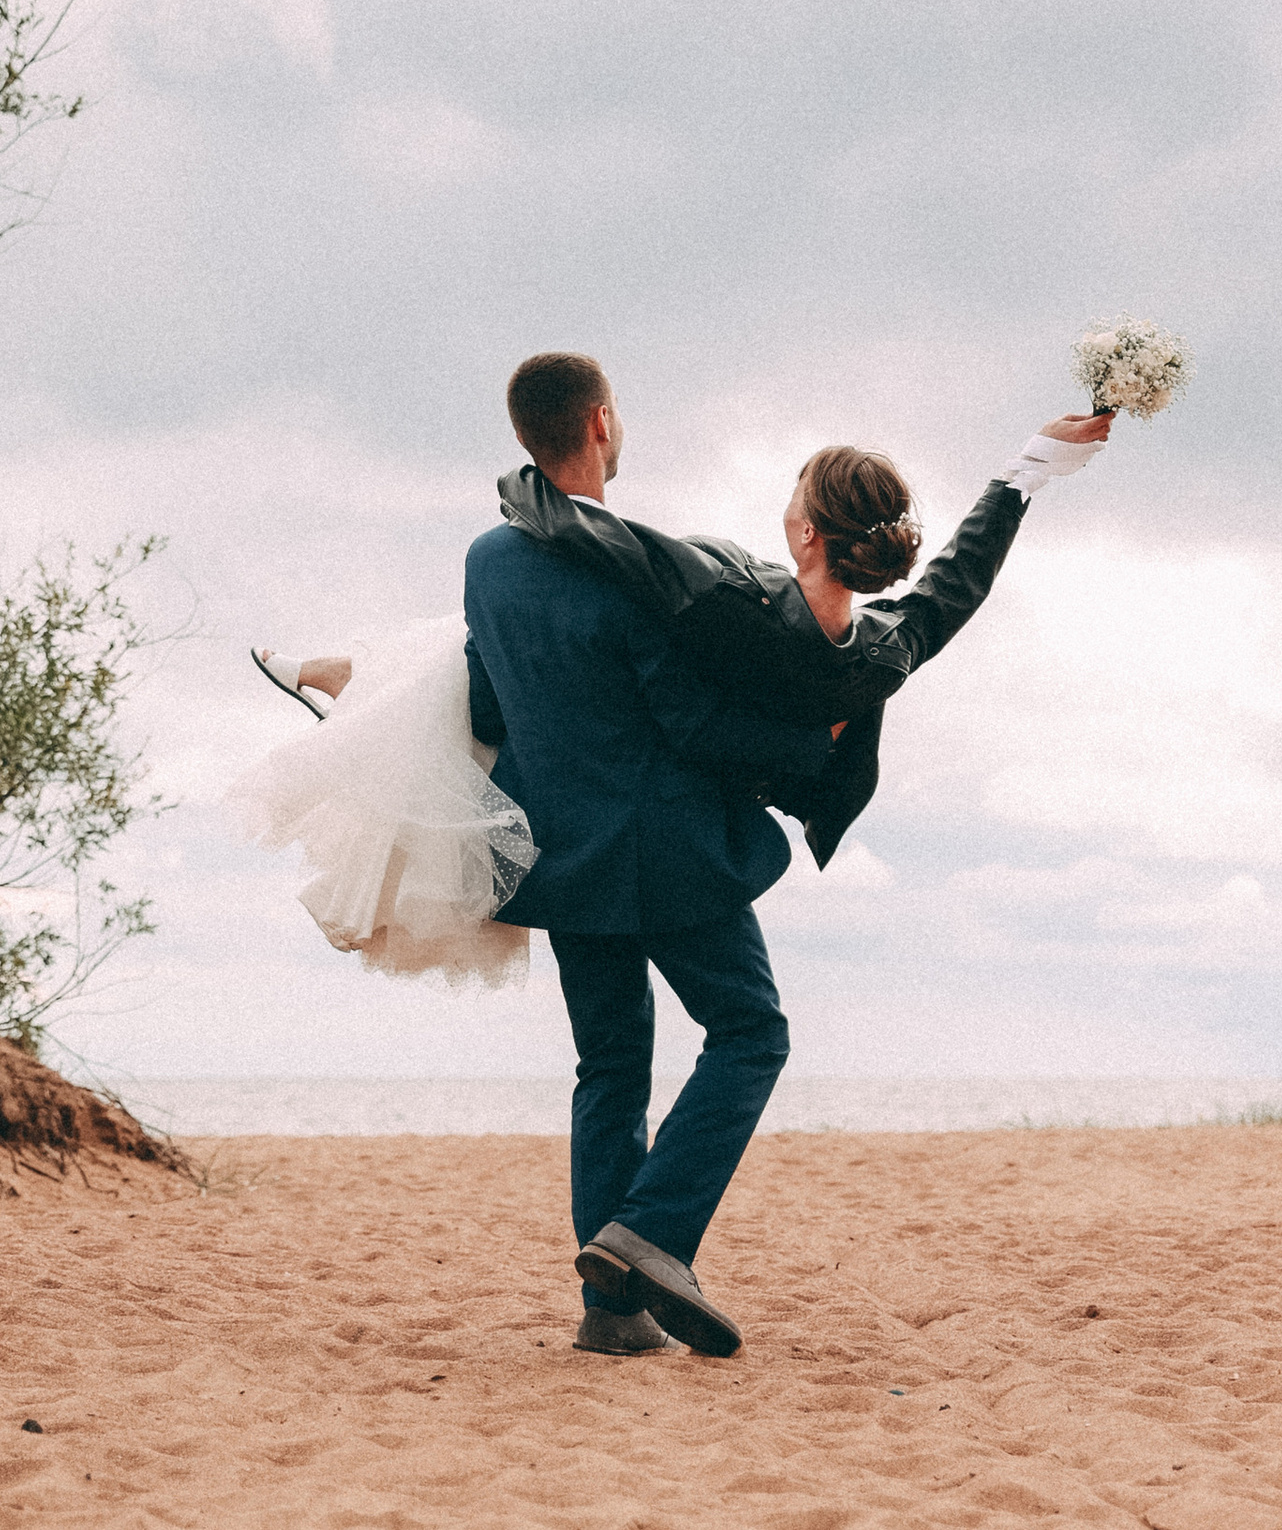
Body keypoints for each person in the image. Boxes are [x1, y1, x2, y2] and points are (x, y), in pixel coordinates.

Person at [237, 353, 1109, 1357]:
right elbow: (691, 722)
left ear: (528, 436)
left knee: (609, 1064)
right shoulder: (642, 580)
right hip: (669, 850)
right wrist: (807, 747)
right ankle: (649, 1236)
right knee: (751, 1032)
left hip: (557, 857)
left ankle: (612, 1316)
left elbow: (488, 701)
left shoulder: (487, 560)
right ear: (602, 424)